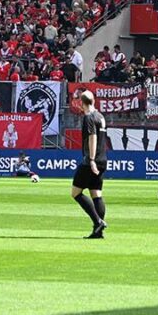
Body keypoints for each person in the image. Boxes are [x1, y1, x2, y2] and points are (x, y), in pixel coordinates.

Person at [71, 90, 108, 239]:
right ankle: (98, 231)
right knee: (96, 193)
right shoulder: (100, 116)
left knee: (76, 193)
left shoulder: (88, 117)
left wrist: (91, 159)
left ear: (82, 102)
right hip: (103, 159)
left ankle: (98, 221)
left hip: (90, 161)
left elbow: (92, 138)